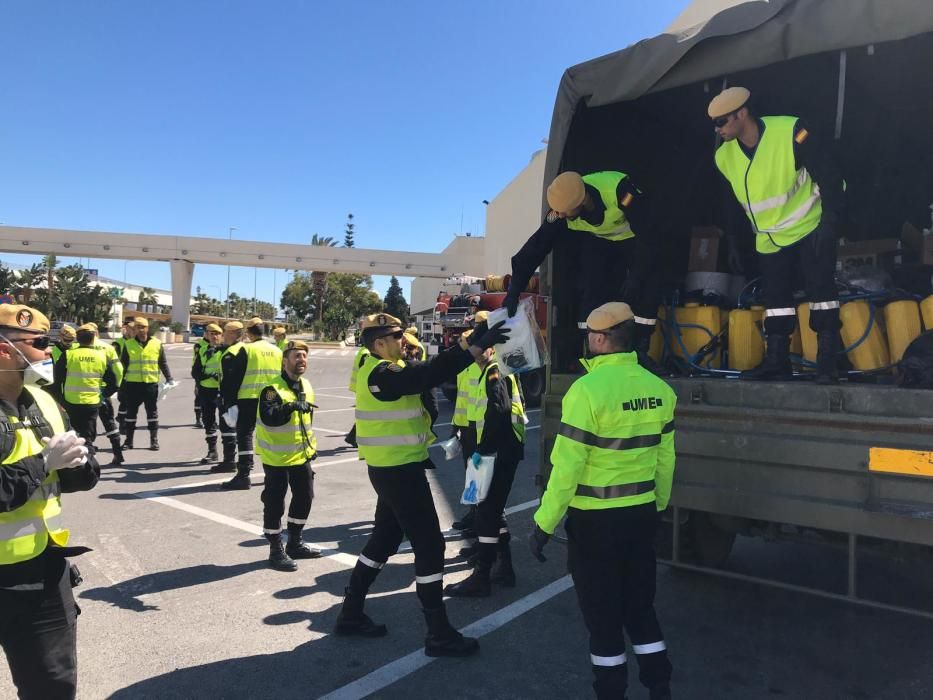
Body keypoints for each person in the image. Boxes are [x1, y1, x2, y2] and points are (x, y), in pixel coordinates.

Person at [333, 312, 509, 657]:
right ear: (379, 343)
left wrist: (470, 345)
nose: (405, 340)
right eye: (397, 336)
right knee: (430, 547)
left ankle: (350, 613)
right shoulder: (382, 372)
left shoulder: (377, 366)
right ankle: (438, 633)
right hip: (398, 471)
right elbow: (427, 375)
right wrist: (471, 345)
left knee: (384, 539)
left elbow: (427, 375)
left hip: (394, 468)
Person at [529, 302, 675, 700]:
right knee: (641, 609)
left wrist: (544, 524)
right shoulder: (659, 389)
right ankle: (659, 686)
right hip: (641, 517)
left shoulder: (586, 391)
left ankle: (611, 692)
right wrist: (657, 506)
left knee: (604, 619)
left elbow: (567, 466)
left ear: (598, 338)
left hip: (595, 525)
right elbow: (665, 460)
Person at [708, 86, 845, 383]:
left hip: (809, 224)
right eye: (714, 124)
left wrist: (830, 222)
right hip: (769, 237)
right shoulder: (724, 157)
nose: (717, 129)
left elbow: (829, 174)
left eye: (722, 121)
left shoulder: (791, 131)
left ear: (742, 113)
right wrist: (733, 242)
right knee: (776, 301)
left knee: (821, 294)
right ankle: (777, 361)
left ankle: (828, 362)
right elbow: (732, 205)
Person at [0, 305, 99, 700]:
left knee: (53, 687)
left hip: (42, 573)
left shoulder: (44, 401)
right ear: (5, 350)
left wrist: (78, 464)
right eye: (39, 344)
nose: (48, 354)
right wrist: (42, 464)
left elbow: (83, 477)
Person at [503, 170, 660, 369]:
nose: (559, 215)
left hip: (635, 240)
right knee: (591, 285)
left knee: (646, 284)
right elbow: (535, 248)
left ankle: (640, 352)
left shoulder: (620, 192)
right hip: (600, 242)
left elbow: (650, 237)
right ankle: (590, 352)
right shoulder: (560, 211)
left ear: (581, 203)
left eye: (563, 211)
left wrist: (636, 277)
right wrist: (513, 291)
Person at [445, 342, 525, 597]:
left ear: (491, 349)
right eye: (473, 350)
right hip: (499, 451)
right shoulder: (489, 369)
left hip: (497, 452)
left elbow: (498, 411)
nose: (477, 354)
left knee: (487, 513)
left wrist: (483, 448)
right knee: (491, 511)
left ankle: (482, 576)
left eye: (481, 348)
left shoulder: (494, 371)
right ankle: (505, 568)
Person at [255, 340, 322, 571]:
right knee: (274, 504)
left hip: (301, 456)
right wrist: (291, 407)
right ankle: (275, 550)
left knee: (305, 497)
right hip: (276, 458)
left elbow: (307, 422)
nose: (301, 359)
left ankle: (295, 542)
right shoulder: (272, 389)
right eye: (296, 356)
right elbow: (269, 417)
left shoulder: (306, 385)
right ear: (285, 362)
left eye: (304, 355)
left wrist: (309, 448)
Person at [220, 318, 282, 490]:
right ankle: (273, 473)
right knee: (270, 435)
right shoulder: (276, 350)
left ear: (249, 332)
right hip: (271, 398)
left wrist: (228, 401)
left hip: (249, 397)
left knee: (245, 435)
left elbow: (234, 377)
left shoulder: (247, 349)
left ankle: (244, 475)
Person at [53, 324, 119, 461]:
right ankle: (89, 463)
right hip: (92, 404)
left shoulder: (69, 354)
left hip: (70, 403)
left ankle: (76, 464)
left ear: (78, 338)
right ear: (93, 337)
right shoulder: (102, 356)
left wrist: (60, 399)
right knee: (88, 436)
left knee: (72, 435)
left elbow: (56, 379)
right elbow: (113, 383)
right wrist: (102, 396)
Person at [119, 317, 174, 451]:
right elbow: (123, 366)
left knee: (152, 413)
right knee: (131, 414)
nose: (141, 330)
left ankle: (154, 441)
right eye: (138, 327)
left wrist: (169, 378)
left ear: (147, 328)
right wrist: (119, 384)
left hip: (150, 385)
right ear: (135, 329)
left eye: (143, 327)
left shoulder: (156, 343)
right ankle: (128, 441)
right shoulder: (129, 344)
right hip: (133, 384)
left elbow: (162, 362)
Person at [88, 323, 125, 465]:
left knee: (85, 427)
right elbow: (119, 370)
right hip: (103, 393)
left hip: (83, 395)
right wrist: (113, 389)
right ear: (96, 333)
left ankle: (88, 460)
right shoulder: (108, 348)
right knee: (109, 423)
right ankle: (117, 453)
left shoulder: (76, 349)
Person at [191, 323, 224, 468]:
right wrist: (206, 376)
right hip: (206, 391)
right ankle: (212, 451)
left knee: (227, 423)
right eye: (211, 333)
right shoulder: (202, 349)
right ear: (207, 335)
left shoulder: (226, 350)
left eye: (217, 333)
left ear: (221, 335)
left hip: (223, 391)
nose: (214, 336)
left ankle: (230, 455)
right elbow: (195, 372)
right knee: (208, 421)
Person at [215, 321, 245, 473]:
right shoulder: (242, 348)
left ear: (233, 333)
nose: (222, 335)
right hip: (243, 396)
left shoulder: (232, 352)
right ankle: (235, 461)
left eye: (225, 332)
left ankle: (229, 461)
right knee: (240, 431)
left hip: (232, 397)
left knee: (228, 429)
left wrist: (225, 399)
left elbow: (230, 379)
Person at [343, 345, 370, 448]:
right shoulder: (366, 353)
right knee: (366, 414)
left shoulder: (364, 350)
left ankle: (352, 436)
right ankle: (352, 436)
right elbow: (366, 371)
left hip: (360, 387)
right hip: (364, 388)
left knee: (365, 414)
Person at [113, 320, 135, 432]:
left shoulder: (135, 343)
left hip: (134, 377)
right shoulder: (118, 343)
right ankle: (122, 422)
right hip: (122, 376)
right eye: (131, 330)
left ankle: (121, 418)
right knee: (125, 401)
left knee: (130, 401)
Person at [191, 332, 208, 429]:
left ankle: (207, 418)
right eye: (209, 333)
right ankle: (198, 418)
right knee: (198, 396)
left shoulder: (216, 344)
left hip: (212, 376)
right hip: (200, 373)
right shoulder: (199, 345)